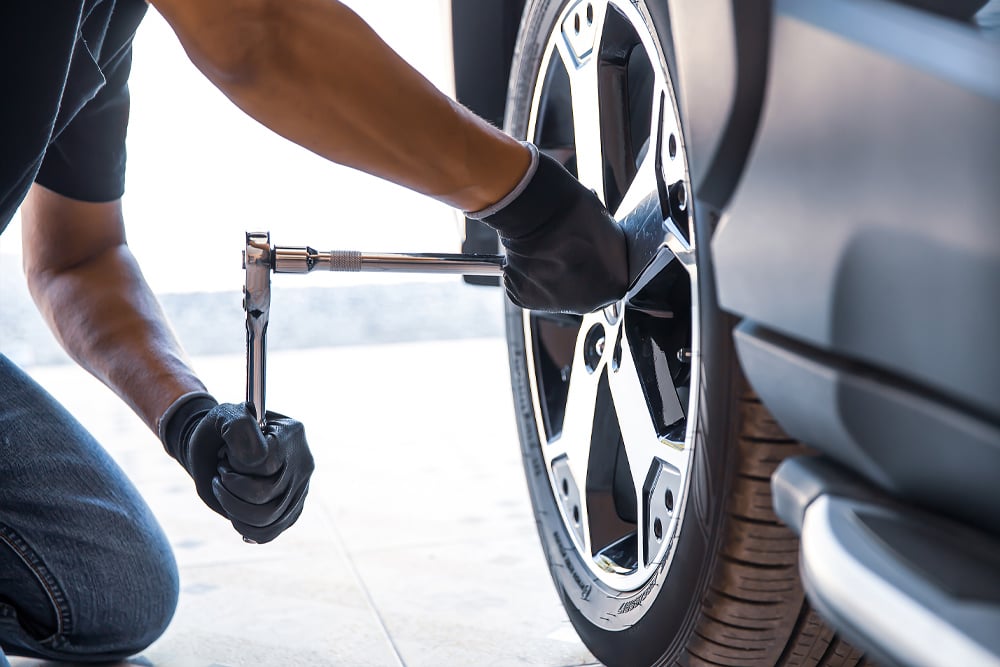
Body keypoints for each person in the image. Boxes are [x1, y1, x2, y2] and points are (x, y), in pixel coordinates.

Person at [0, 0, 628, 663]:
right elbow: (259, 31)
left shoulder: (97, 24)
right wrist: (529, 198)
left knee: (112, 588)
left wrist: (194, 423)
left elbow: (75, 258)